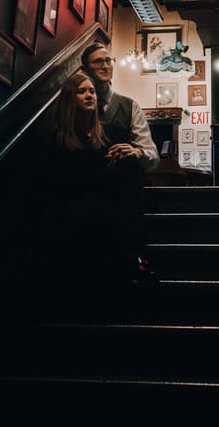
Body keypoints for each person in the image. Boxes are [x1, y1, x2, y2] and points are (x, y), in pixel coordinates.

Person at [23, 69, 155, 287]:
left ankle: (133, 255)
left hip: (108, 205)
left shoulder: (110, 133)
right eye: (81, 92)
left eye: (92, 91)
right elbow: (56, 184)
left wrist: (133, 153)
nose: (89, 95)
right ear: (69, 99)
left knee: (128, 162)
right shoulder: (56, 140)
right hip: (74, 209)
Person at [80, 41, 160, 173]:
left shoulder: (130, 106)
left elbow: (152, 155)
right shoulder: (77, 104)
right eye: (98, 61)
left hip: (122, 184)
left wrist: (138, 152)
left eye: (108, 61)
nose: (105, 66)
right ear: (84, 70)